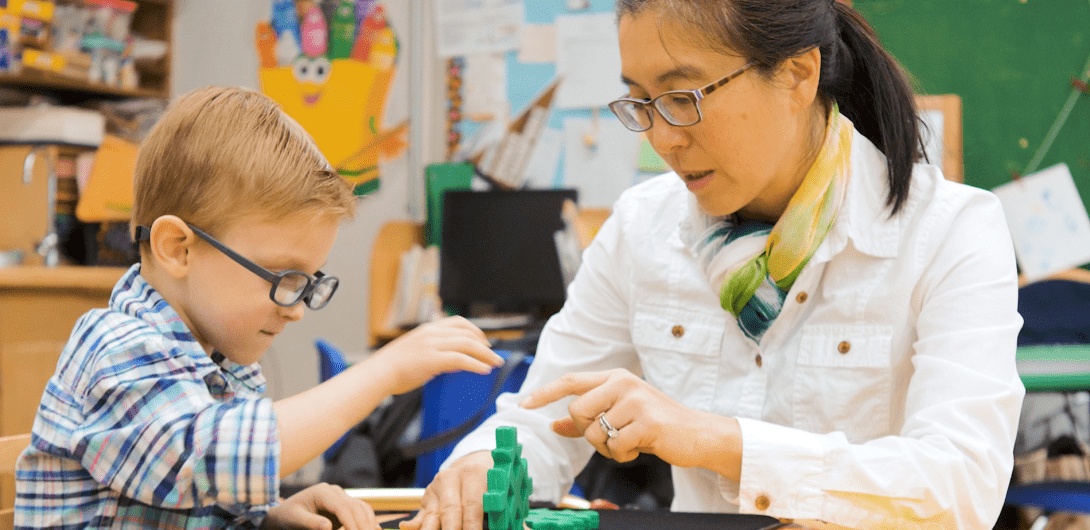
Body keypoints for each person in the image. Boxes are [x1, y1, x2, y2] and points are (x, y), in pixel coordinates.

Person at [405, 1, 1025, 529]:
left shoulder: (949, 231)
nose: (663, 138)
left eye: (682, 97)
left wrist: (715, 440)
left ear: (798, 73)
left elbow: (960, 488)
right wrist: (481, 465)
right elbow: (543, 418)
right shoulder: (642, 228)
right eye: (642, 102)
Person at [15, 86, 503, 530]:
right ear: (177, 248)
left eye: (309, 282)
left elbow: (198, 499)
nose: (297, 309)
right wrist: (381, 373)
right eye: (283, 278)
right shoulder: (116, 349)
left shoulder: (223, 360)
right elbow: (204, 460)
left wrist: (268, 520)